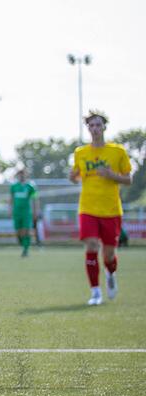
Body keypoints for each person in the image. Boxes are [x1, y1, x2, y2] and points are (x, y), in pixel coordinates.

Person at [69, 111, 132, 306]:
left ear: (104, 127)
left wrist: (112, 175)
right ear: (88, 128)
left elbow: (129, 179)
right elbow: (76, 175)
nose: (95, 129)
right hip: (87, 207)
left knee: (109, 254)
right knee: (91, 246)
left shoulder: (118, 151)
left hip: (111, 209)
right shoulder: (81, 152)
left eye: (98, 125)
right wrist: (73, 176)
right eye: (91, 126)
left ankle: (110, 273)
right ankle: (95, 292)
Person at [9, 169, 38, 257]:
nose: (21, 176)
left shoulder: (30, 187)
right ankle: (23, 244)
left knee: (26, 230)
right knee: (18, 231)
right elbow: (11, 199)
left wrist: (35, 211)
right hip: (16, 212)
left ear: (26, 175)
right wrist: (10, 210)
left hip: (26, 212)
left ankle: (26, 249)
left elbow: (35, 200)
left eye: (23, 174)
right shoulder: (14, 187)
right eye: (19, 175)